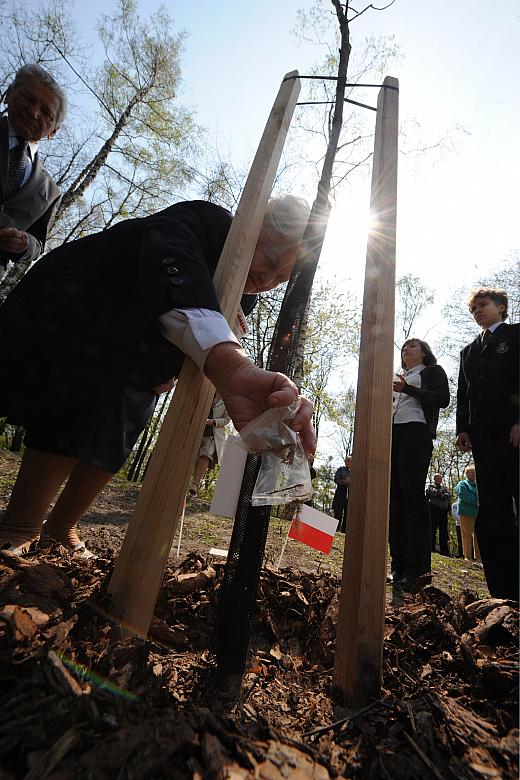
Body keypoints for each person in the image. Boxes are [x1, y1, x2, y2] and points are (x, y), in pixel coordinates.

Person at [0, 195, 316, 555]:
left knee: (131, 411)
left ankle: (62, 527)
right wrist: (231, 366)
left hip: (134, 366)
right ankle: (20, 523)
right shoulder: (205, 223)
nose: (266, 278)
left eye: (280, 278)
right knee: (86, 395)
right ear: (253, 225)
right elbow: (174, 270)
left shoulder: (243, 301)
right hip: (71, 320)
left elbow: (197, 345)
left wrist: (173, 371)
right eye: (270, 259)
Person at [456, 287, 519, 599]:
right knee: (492, 511)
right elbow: (463, 395)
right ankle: (503, 593)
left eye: (483, 305)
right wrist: (463, 429)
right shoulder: (468, 351)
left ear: (501, 307)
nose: (478, 311)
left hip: (514, 432)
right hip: (483, 440)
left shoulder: (516, 335)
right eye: (474, 309)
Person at [388, 338, 450, 589]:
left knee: (413, 497)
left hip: (416, 433)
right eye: (404, 347)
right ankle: (398, 566)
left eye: (412, 346)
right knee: (394, 499)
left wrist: (407, 390)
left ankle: (419, 570)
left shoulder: (433, 371)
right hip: (392, 434)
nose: (406, 349)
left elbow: (442, 399)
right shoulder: (399, 376)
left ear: (425, 352)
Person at [0, 64, 66, 278]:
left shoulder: (51, 192)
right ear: (8, 95)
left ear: (53, 130)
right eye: (28, 98)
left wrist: (24, 244)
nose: (34, 112)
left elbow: (38, 243)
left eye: (46, 112)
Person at [190, 394, 229, 496]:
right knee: (196, 459)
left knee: (206, 454)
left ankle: (195, 484)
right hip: (199, 429)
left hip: (213, 432)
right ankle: (195, 485)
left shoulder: (227, 400)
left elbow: (226, 420)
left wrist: (214, 421)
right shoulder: (208, 393)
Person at [455, 464, 480, 562]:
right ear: (466, 474)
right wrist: (476, 501)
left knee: (478, 536)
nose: (472, 474)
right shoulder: (462, 484)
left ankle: (478, 558)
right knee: (466, 534)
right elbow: (463, 495)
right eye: (470, 472)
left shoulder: (478, 485)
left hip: (477, 513)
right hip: (466, 512)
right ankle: (467, 557)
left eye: (474, 472)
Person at [426, 473, 451, 556]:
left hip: (443, 512)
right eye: (437, 478)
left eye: (440, 478)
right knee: (432, 530)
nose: (438, 480)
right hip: (433, 511)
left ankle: (444, 551)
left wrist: (441, 494)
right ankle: (431, 548)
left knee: (444, 531)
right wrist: (441, 494)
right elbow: (433, 493)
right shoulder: (430, 487)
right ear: (434, 479)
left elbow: (448, 496)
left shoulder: (445, 488)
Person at [332, 455, 351, 532]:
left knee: (348, 513)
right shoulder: (340, 469)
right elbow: (336, 480)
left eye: (351, 461)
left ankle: (344, 530)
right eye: (348, 461)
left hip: (350, 496)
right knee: (338, 512)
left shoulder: (355, 471)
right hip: (340, 494)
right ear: (345, 462)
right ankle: (335, 529)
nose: (349, 463)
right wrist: (345, 481)